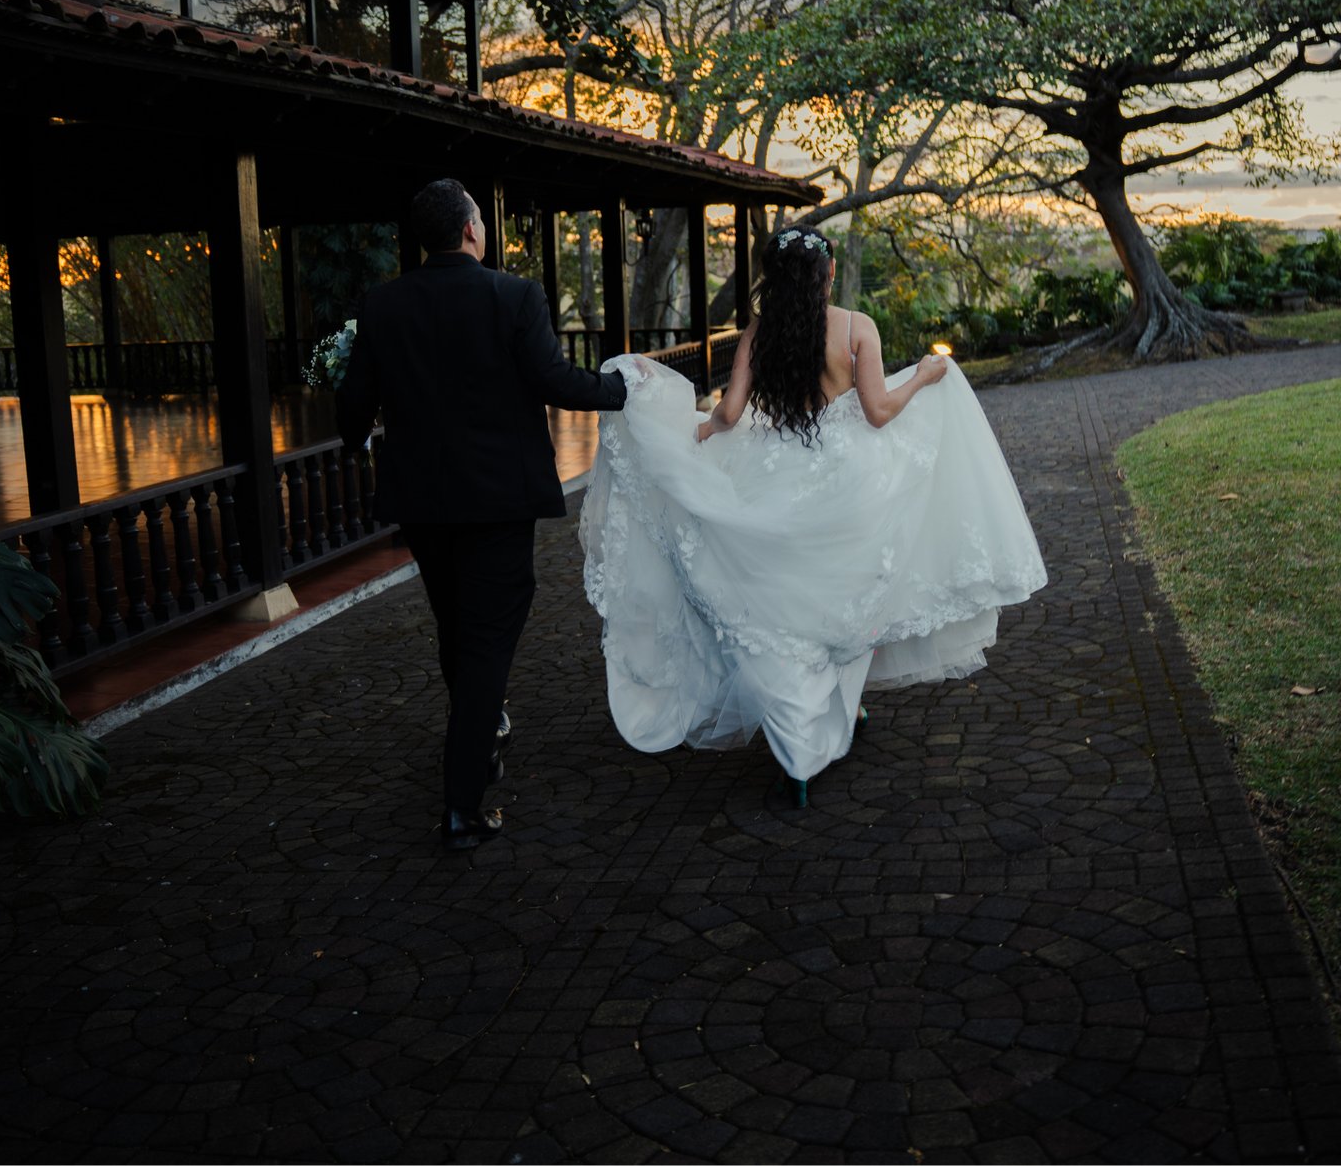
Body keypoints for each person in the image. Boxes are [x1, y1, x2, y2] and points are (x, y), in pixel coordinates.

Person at [580, 224, 1047, 802]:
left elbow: (727, 414)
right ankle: (828, 720)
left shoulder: (757, 331)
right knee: (848, 597)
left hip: (772, 474)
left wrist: (689, 437)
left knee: (788, 606)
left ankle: (815, 731)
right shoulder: (857, 328)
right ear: (826, 274)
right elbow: (877, 412)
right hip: (849, 481)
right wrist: (925, 377)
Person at [338, 178, 628, 851]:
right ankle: (463, 803)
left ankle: (483, 730)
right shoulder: (513, 294)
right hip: (498, 498)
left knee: (456, 627)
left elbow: (354, 408)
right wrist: (622, 389)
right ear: (472, 230)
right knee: (488, 643)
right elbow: (554, 380)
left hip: (422, 502)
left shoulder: (382, 304)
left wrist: (358, 432)